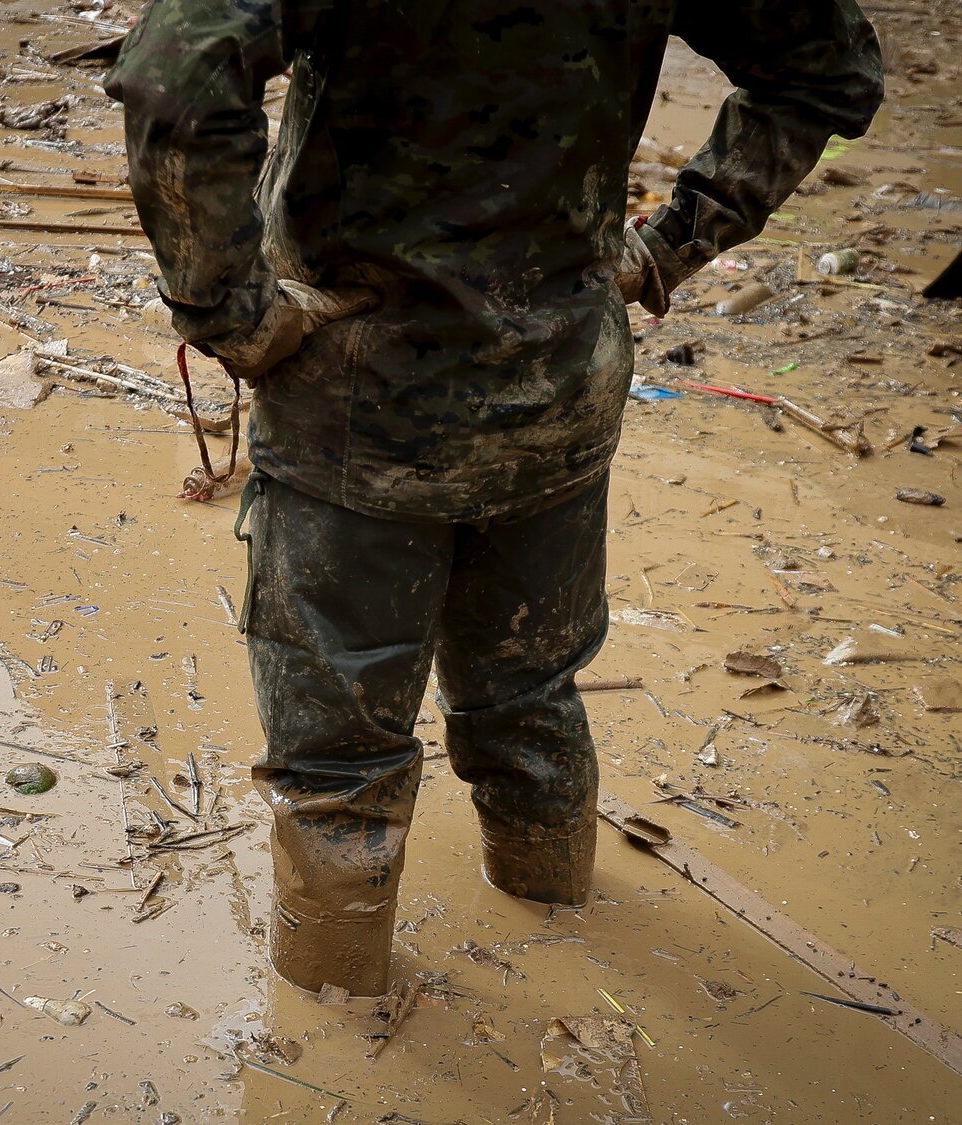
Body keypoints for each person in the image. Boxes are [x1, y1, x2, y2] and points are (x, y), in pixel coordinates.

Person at [106, 1, 883, 997]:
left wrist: (234, 313)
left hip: (356, 408)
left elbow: (174, 73)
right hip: (556, 387)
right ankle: (559, 952)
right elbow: (829, 66)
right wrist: (670, 245)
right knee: (531, 705)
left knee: (340, 772)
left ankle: (336, 1032)